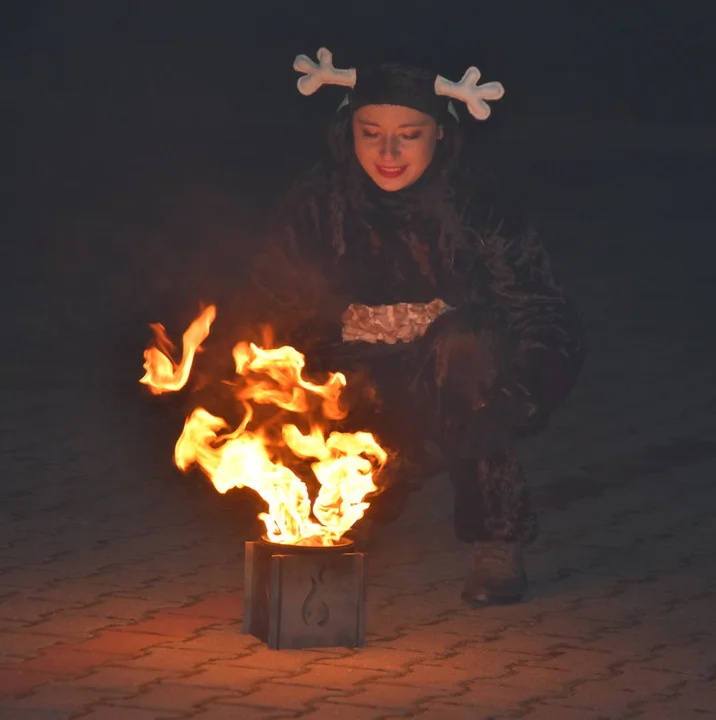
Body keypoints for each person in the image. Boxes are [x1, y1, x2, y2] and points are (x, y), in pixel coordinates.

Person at [234, 49, 585, 606]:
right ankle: (352, 500)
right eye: (370, 132)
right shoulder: (321, 199)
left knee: (467, 359)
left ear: (440, 135)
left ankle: (495, 539)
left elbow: (539, 308)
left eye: (409, 135)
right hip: (352, 375)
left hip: (447, 373)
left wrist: (518, 396)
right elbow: (273, 293)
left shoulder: (477, 203)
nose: (388, 152)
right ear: (348, 129)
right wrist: (328, 328)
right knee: (296, 388)